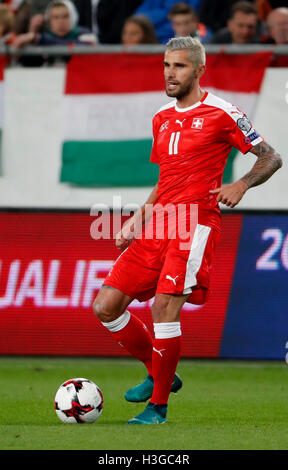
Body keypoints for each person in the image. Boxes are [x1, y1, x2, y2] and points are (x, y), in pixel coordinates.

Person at [93, 36, 282, 424]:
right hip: (159, 223)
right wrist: (137, 218)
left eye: (178, 66)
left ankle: (157, 408)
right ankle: (159, 371)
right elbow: (166, 178)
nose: (170, 73)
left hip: (195, 224)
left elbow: (272, 156)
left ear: (199, 69)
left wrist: (241, 184)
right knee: (106, 305)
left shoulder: (223, 112)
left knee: (164, 307)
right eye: (166, 65)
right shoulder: (161, 117)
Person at [13, 0, 96, 48]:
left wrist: (37, 38)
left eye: (65, 16)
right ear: (49, 20)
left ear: (73, 17)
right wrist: (32, 30)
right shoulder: (45, 37)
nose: (61, 22)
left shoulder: (85, 34)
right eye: (56, 17)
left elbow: (77, 45)